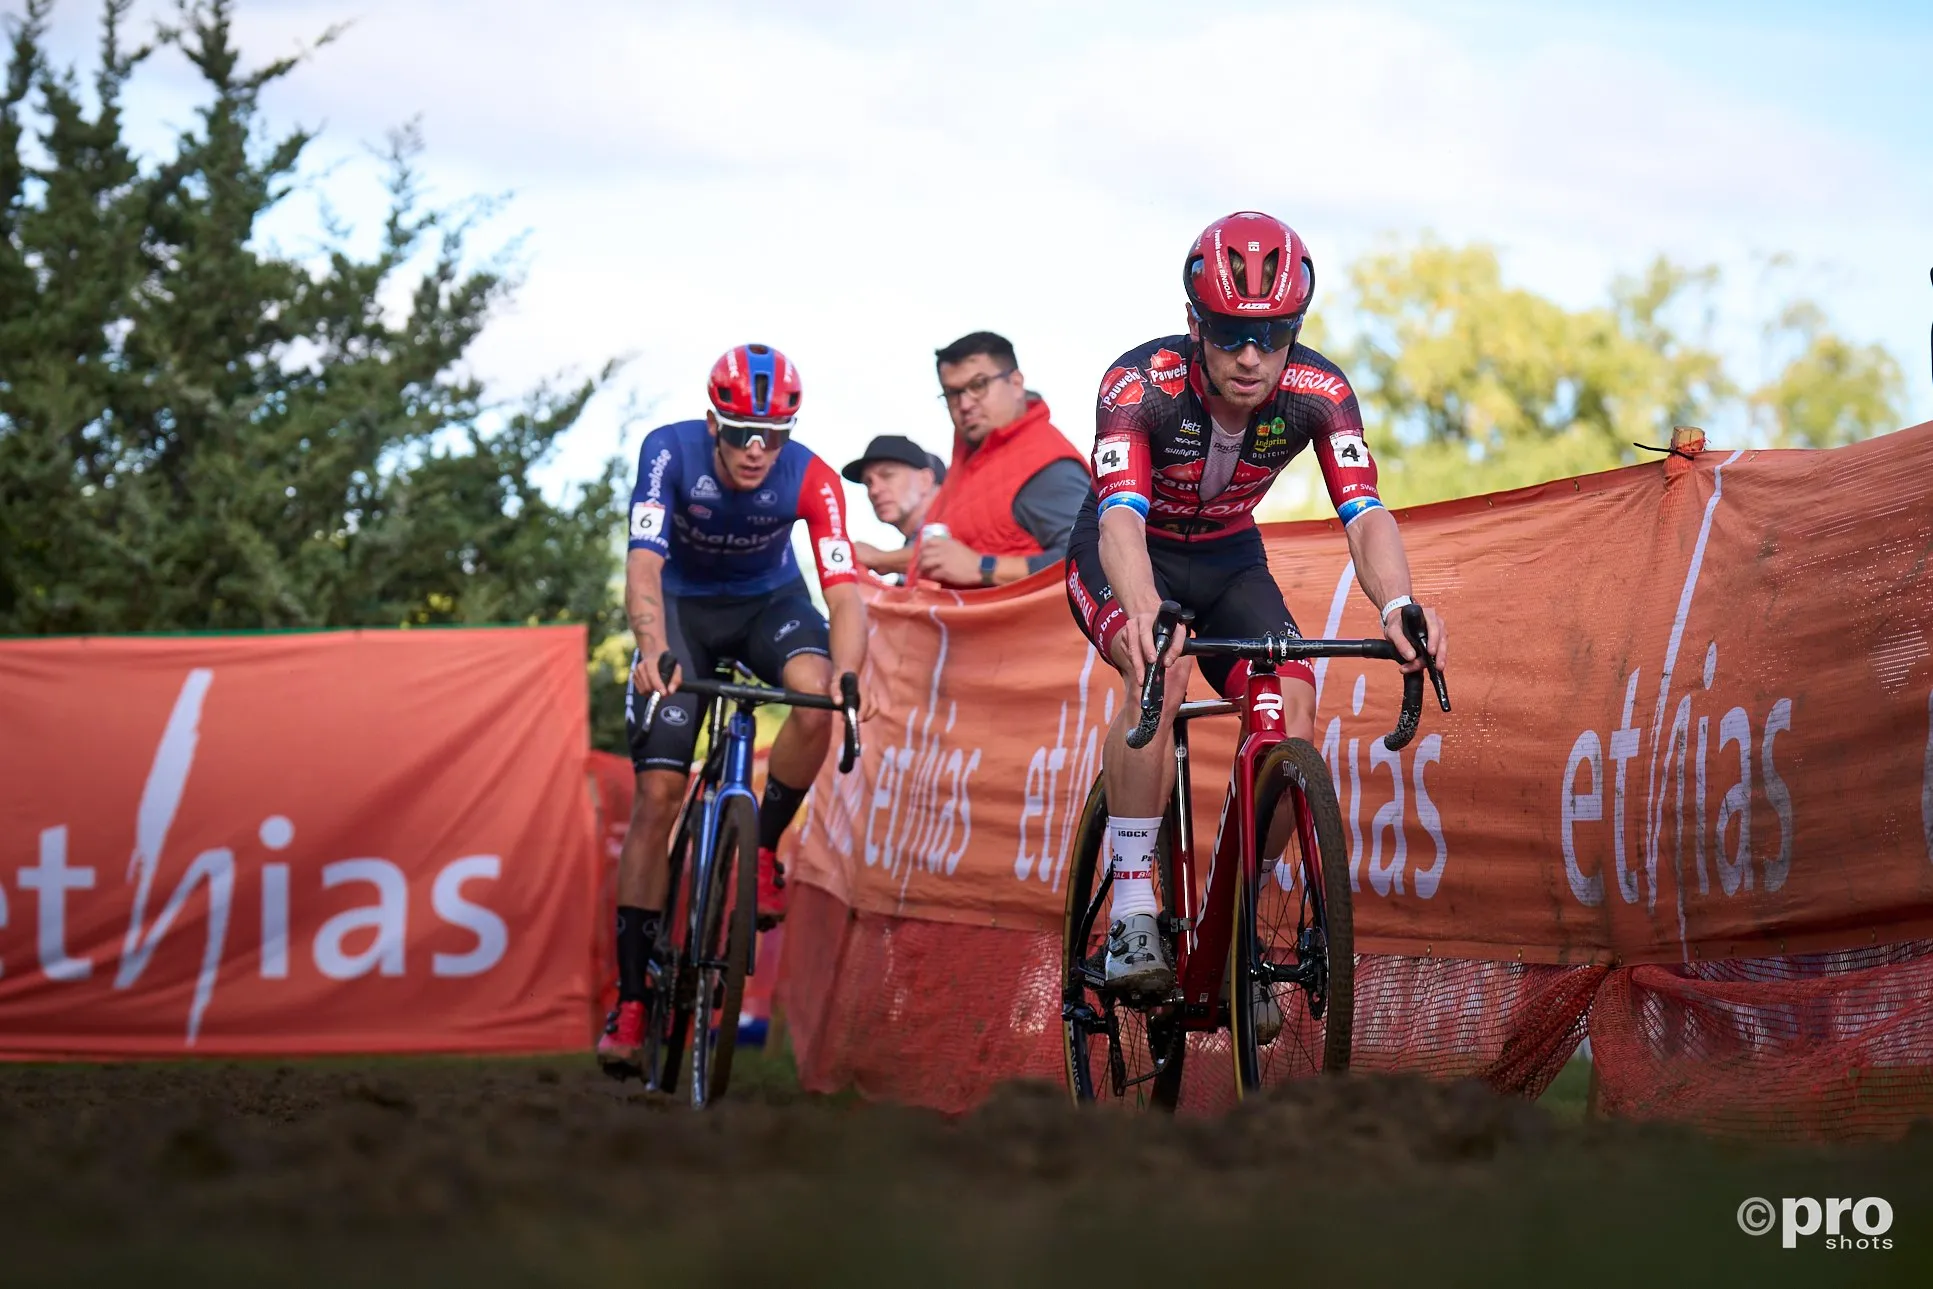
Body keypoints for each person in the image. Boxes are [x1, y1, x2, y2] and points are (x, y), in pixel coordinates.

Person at [1063, 211, 1450, 1029]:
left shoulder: (1319, 392)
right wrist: (1143, 610)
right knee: (1158, 667)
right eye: (1232, 334)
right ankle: (1131, 908)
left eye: (1272, 335)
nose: (1251, 356)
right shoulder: (1138, 385)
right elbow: (1119, 519)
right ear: (1194, 323)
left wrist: (1397, 603)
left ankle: (1239, 929)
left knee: (1293, 697)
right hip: (1127, 550)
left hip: (1228, 558)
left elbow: (1365, 514)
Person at [598, 343, 869, 1077]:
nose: (757, 450)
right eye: (743, 432)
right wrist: (652, 647)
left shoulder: (810, 475)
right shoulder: (668, 450)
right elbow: (643, 564)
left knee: (815, 698)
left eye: (773, 436)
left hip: (766, 606)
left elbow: (844, 593)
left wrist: (849, 674)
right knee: (658, 795)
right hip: (681, 612)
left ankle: (762, 847)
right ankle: (631, 998)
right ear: (713, 423)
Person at [916, 332, 1089, 588]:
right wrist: (882, 559)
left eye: (978, 385)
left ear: (1016, 383)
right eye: (952, 393)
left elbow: (1090, 558)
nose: (964, 404)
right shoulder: (972, 458)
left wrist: (983, 567)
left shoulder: (1045, 465)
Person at [842, 434, 947, 579]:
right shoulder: (913, 543)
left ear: (925, 480)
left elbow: (950, 552)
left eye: (887, 475)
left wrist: (878, 558)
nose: (874, 490)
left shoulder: (957, 516)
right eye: (868, 482)